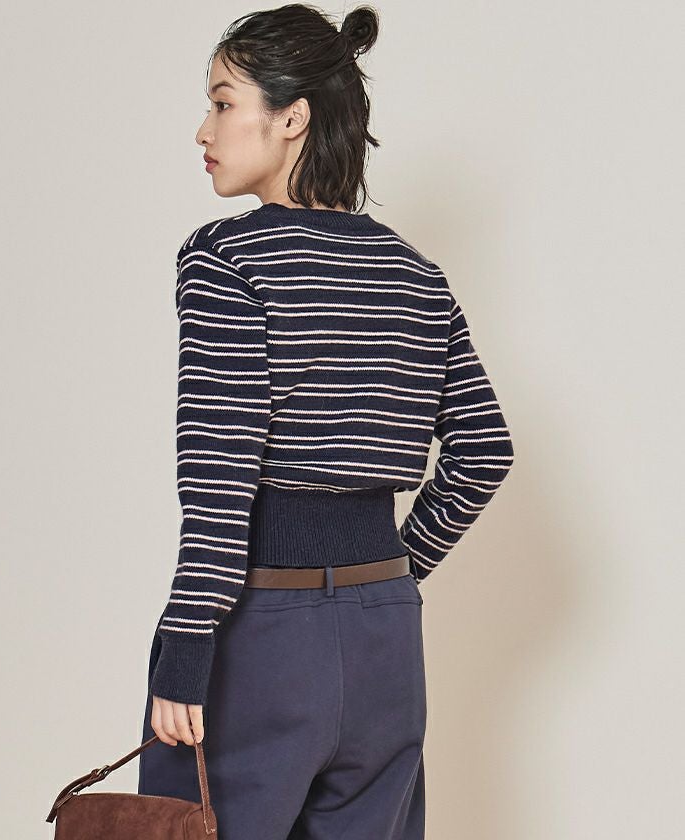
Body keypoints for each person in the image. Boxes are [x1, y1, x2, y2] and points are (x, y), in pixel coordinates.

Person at [137, 4, 514, 838]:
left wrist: (186, 648)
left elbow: (221, 474)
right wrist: (391, 576)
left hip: (258, 635)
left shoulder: (227, 260)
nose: (204, 129)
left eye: (223, 102)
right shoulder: (418, 276)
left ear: (292, 117)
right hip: (386, 643)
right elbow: (484, 451)